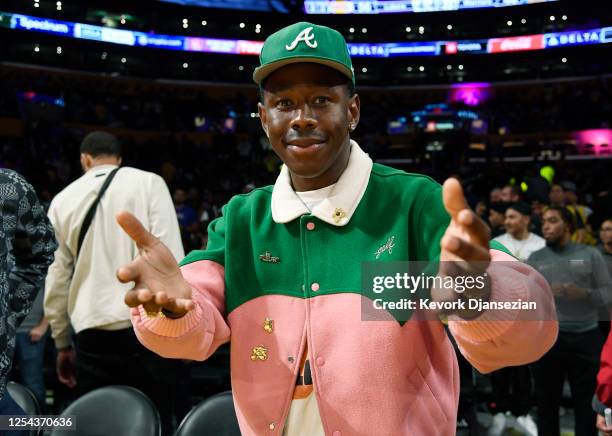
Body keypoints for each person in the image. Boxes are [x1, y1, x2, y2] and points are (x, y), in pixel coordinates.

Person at [117, 22, 557, 435]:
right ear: (263, 117)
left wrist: (479, 294)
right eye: (284, 103)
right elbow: (192, 322)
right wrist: (170, 310)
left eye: (321, 101)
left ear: (353, 111)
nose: (302, 117)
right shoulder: (242, 218)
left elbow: (528, 326)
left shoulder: (416, 203)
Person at [43, 131, 184, 435]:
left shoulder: (61, 200)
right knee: (157, 420)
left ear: (85, 160)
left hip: (93, 330)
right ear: (119, 159)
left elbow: (56, 278)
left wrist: (61, 342)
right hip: (150, 323)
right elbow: (172, 256)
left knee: (99, 424)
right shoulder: (149, 182)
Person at [529, 206, 612, 436]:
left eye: (552, 221)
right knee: (547, 405)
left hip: (586, 337)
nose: (545, 226)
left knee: (585, 407)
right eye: (544, 221)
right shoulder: (536, 258)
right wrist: (544, 295)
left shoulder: (590, 254)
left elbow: (608, 293)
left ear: (568, 225)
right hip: (548, 340)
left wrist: (584, 294)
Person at [0, 169, 57, 430]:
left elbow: (41, 252)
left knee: (33, 384)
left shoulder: (9, 186)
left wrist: (9, 310)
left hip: (25, 333)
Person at [487, 202, 545, 435]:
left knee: (524, 371)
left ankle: (522, 414)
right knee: (498, 369)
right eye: (507, 217)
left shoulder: (540, 245)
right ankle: (499, 413)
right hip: (498, 318)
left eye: (512, 217)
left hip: (528, 319)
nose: (507, 221)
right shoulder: (496, 243)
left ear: (526, 219)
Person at [12, 290, 48, 409]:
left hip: (30, 331)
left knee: (33, 382)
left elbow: (55, 295)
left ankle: (38, 425)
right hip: (5, 332)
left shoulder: (41, 271)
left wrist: (43, 326)